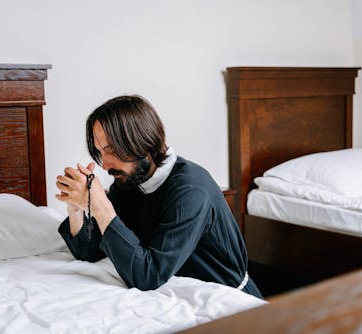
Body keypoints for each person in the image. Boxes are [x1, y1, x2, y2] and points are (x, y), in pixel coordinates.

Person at [55, 95, 262, 298]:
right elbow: (89, 252)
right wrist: (77, 208)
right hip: (183, 294)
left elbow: (148, 276)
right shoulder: (130, 181)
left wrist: (101, 207)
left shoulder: (191, 191)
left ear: (143, 142)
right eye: (101, 152)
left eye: (111, 151)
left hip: (230, 301)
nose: (105, 165)